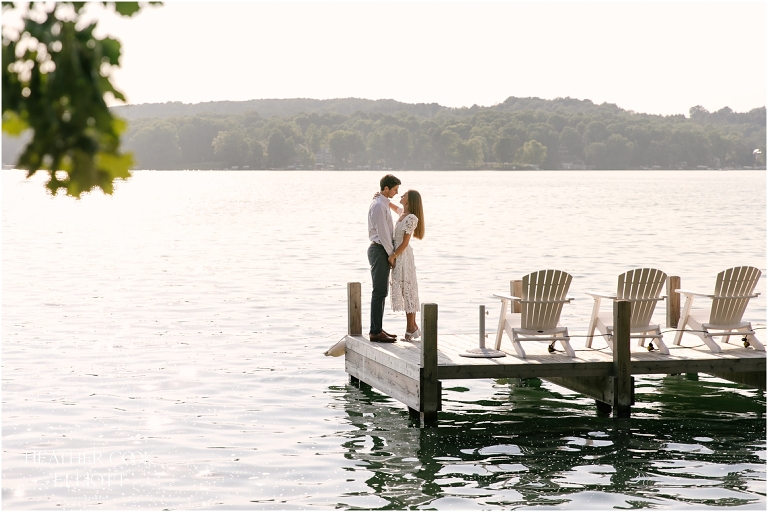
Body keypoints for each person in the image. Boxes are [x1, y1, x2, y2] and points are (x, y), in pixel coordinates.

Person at [387, 190, 425, 341]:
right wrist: (383, 199)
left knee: (408, 289)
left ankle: (411, 328)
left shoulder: (411, 218)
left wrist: (393, 255)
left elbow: (405, 242)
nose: (401, 196)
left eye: (404, 195)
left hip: (403, 255)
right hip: (398, 254)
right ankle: (412, 326)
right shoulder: (403, 212)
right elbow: (393, 207)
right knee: (404, 289)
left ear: (410, 200)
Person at [367, 174, 401, 342]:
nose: (396, 192)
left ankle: (378, 328)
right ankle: (375, 331)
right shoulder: (379, 206)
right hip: (380, 250)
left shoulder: (383, 203)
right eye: (394, 189)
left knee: (382, 291)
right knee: (379, 291)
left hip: (382, 250)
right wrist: (391, 255)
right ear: (386, 188)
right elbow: (384, 234)